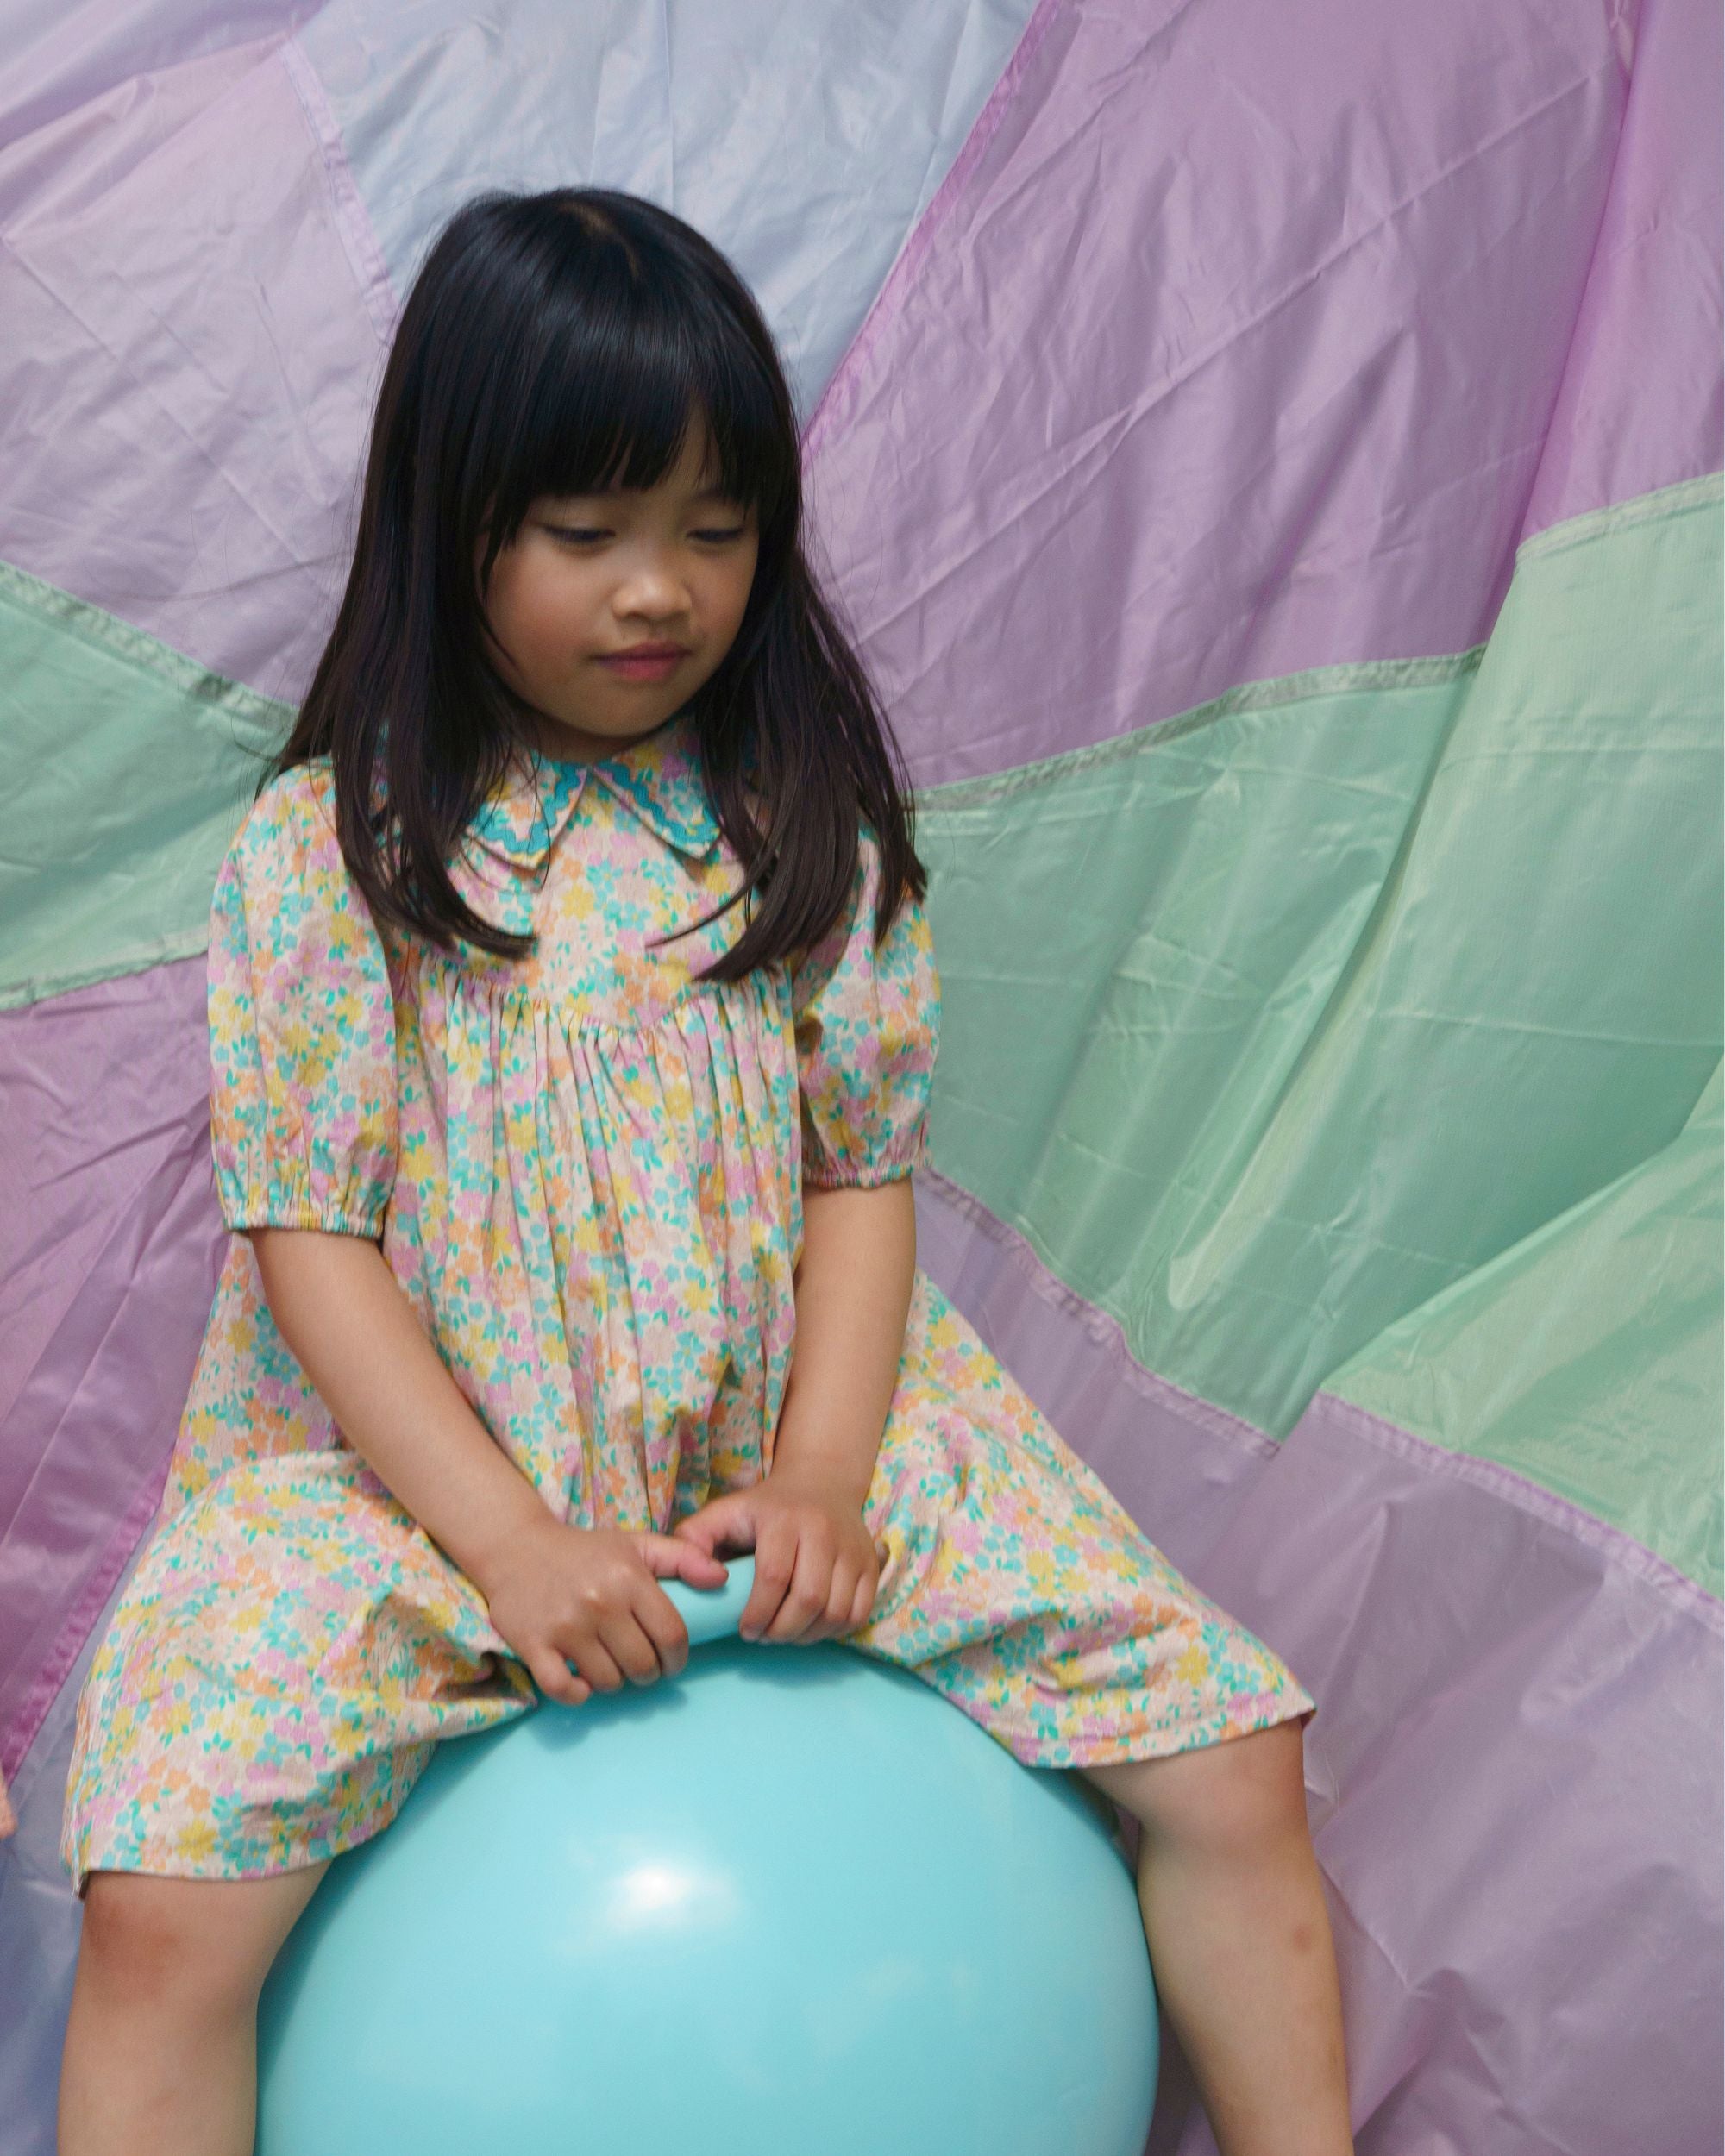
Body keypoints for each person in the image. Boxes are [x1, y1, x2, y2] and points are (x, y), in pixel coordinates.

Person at [56, 188, 1353, 2156]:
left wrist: (825, 1472)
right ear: (456, 526)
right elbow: (312, 1246)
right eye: (588, 533)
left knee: (1232, 1751)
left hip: (777, 1417)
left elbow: (858, 1175)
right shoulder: (332, 853)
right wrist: (507, 1541)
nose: (658, 589)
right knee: (165, 1899)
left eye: (717, 530)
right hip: (410, 1473)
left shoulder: (798, 828)